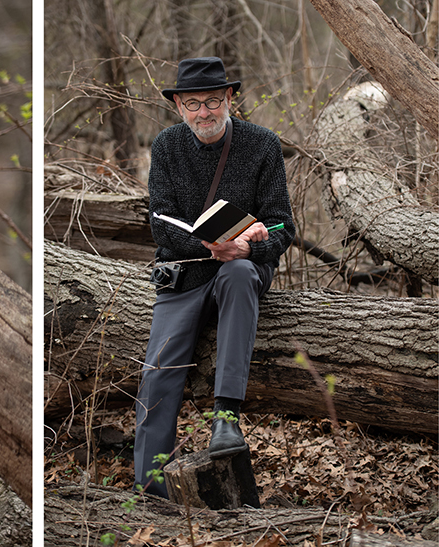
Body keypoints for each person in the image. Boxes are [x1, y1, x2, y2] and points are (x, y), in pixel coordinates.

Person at [132, 57, 295, 499]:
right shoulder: (166, 147)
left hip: (240, 266)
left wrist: (248, 247)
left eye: (212, 101)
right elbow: (161, 222)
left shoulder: (261, 144)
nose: (203, 112)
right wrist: (207, 246)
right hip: (185, 272)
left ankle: (226, 419)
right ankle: (149, 489)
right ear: (179, 107)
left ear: (229, 100)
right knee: (159, 372)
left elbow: (283, 225)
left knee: (241, 273)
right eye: (193, 104)